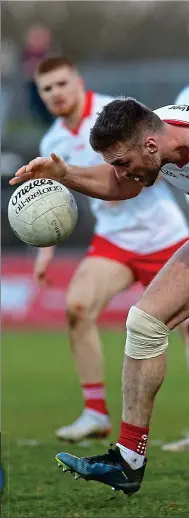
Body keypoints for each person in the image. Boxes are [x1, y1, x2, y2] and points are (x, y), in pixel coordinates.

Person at [10, 99, 189, 495]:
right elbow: (119, 184)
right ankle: (128, 460)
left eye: (123, 161)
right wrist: (64, 173)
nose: (121, 171)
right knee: (145, 323)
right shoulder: (156, 133)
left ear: (150, 147)